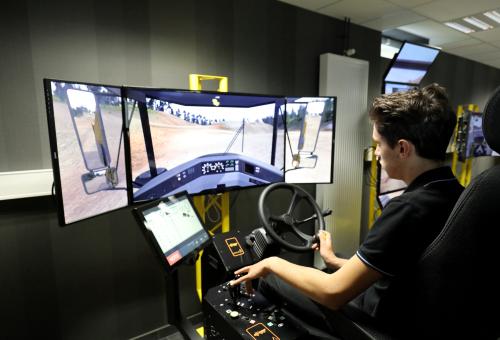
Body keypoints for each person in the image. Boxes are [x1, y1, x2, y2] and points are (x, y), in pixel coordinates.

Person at [230, 83, 464, 337]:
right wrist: (332, 260)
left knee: (271, 279)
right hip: (413, 312)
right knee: (324, 266)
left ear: (403, 148)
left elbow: (332, 293)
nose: (376, 154)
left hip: (378, 322)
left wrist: (272, 263)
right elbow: (393, 270)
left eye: (378, 144)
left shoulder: (407, 209)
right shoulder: (456, 193)